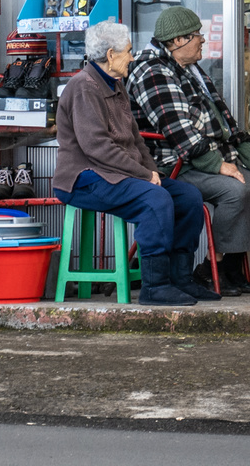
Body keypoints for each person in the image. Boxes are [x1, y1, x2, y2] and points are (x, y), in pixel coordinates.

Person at [52, 20, 220, 306]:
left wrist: (152, 171)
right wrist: (144, 175)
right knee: (155, 199)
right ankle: (155, 286)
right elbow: (97, 148)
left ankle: (180, 278)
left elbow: (136, 141)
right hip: (84, 178)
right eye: (128, 52)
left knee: (189, 197)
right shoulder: (84, 87)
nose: (132, 57)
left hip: (117, 173)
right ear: (110, 55)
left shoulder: (117, 86)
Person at [127, 6, 250, 294]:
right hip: (176, 164)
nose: (203, 40)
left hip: (208, 157)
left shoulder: (190, 68)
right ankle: (211, 267)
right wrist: (218, 165)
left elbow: (226, 122)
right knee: (235, 190)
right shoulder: (152, 71)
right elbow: (180, 133)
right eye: (196, 35)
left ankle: (229, 267)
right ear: (177, 41)